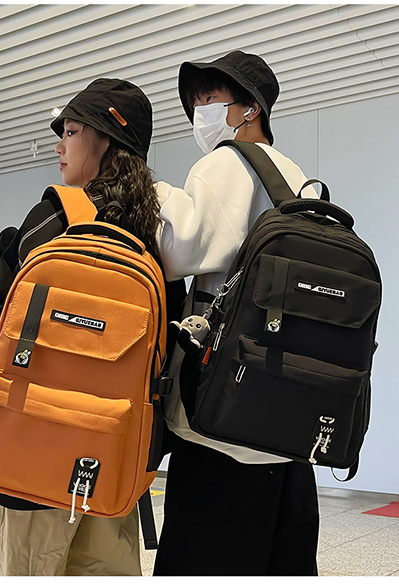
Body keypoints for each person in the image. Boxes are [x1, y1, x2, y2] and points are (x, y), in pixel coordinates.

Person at [0, 78, 184, 576]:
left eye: (72, 131)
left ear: (107, 140)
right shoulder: (158, 238)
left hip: (28, 455)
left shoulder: (59, 214)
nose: (60, 145)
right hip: (112, 464)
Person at [153, 50, 320, 576]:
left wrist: (155, 193)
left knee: (205, 557)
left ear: (250, 108)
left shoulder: (226, 162)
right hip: (286, 415)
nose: (199, 110)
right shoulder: (299, 179)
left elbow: (179, 250)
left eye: (210, 97)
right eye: (195, 101)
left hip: (224, 415)